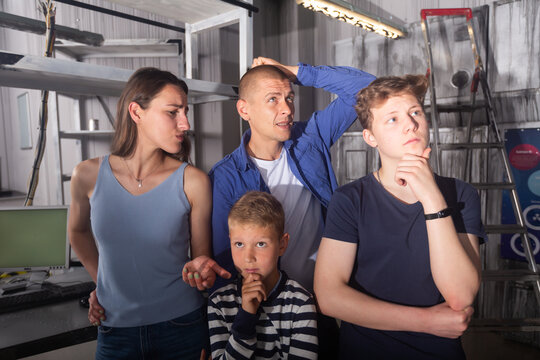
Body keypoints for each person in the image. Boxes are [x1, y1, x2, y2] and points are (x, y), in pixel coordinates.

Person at [314, 74, 487, 359]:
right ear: (371, 138)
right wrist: (426, 321)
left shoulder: (462, 194)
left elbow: (460, 296)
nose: (411, 124)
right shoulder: (349, 200)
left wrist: (432, 198)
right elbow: (329, 297)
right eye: (392, 119)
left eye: (415, 112)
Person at [68, 67, 229, 360]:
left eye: (186, 112)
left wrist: (203, 274)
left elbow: (198, 263)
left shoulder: (193, 181)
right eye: (173, 112)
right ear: (136, 112)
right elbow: (77, 232)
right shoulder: (87, 175)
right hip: (115, 330)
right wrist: (102, 284)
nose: (185, 123)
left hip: (183, 326)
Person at [208, 191, 318, 359]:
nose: (248, 257)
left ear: (282, 244)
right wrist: (246, 315)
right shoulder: (219, 303)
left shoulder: (301, 303)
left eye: (260, 244)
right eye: (239, 244)